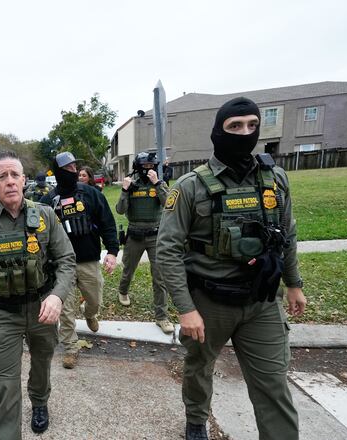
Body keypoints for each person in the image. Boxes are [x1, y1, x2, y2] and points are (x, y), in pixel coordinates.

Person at [157, 97, 307, 440]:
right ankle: (196, 418)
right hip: (209, 303)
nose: (245, 133)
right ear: (218, 131)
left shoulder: (275, 179)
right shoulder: (190, 187)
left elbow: (288, 233)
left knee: (273, 385)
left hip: (262, 301)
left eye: (252, 125)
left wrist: (294, 283)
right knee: (199, 368)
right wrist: (185, 308)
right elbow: (166, 250)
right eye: (235, 126)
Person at [0, 151, 76, 439]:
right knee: (6, 382)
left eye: (14, 175)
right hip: (3, 313)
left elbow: (67, 260)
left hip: (42, 308)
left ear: (24, 180)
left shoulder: (44, 215)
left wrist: (57, 296)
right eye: (2, 176)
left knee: (42, 363)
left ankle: (40, 402)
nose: (9, 181)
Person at [40, 152, 119, 369]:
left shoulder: (91, 194)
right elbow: (38, 233)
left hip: (88, 260)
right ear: (57, 172)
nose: (73, 171)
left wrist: (112, 251)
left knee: (95, 298)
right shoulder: (48, 202)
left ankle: (90, 314)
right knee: (65, 309)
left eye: (75, 166)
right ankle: (70, 347)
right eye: (67, 168)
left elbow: (107, 223)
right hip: (61, 266)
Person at [115, 152, 174, 334]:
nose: (148, 169)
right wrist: (125, 191)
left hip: (155, 236)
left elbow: (169, 204)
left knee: (159, 276)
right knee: (128, 269)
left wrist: (157, 184)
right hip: (134, 235)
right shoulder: (131, 184)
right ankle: (123, 291)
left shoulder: (160, 184)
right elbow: (120, 210)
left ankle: (161, 316)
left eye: (151, 166)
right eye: (145, 166)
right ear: (138, 167)